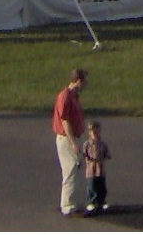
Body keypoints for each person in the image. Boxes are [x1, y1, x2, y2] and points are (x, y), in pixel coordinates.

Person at [53, 67, 90, 217]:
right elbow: (65, 121)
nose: (87, 84)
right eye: (85, 81)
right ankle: (66, 204)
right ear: (79, 81)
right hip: (67, 138)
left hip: (73, 137)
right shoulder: (65, 96)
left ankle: (70, 202)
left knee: (74, 169)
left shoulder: (74, 96)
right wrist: (73, 142)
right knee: (70, 169)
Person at [83, 119, 112, 214]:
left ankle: (101, 201)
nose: (94, 133)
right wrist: (89, 160)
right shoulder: (87, 144)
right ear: (89, 133)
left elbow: (107, 154)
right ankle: (90, 202)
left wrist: (106, 157)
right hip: (91, 169)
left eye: (96, 131)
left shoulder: (103, 144)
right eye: (92, 131)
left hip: (100, 168)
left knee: (101, 186)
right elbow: (85, 154)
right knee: (91, 186)